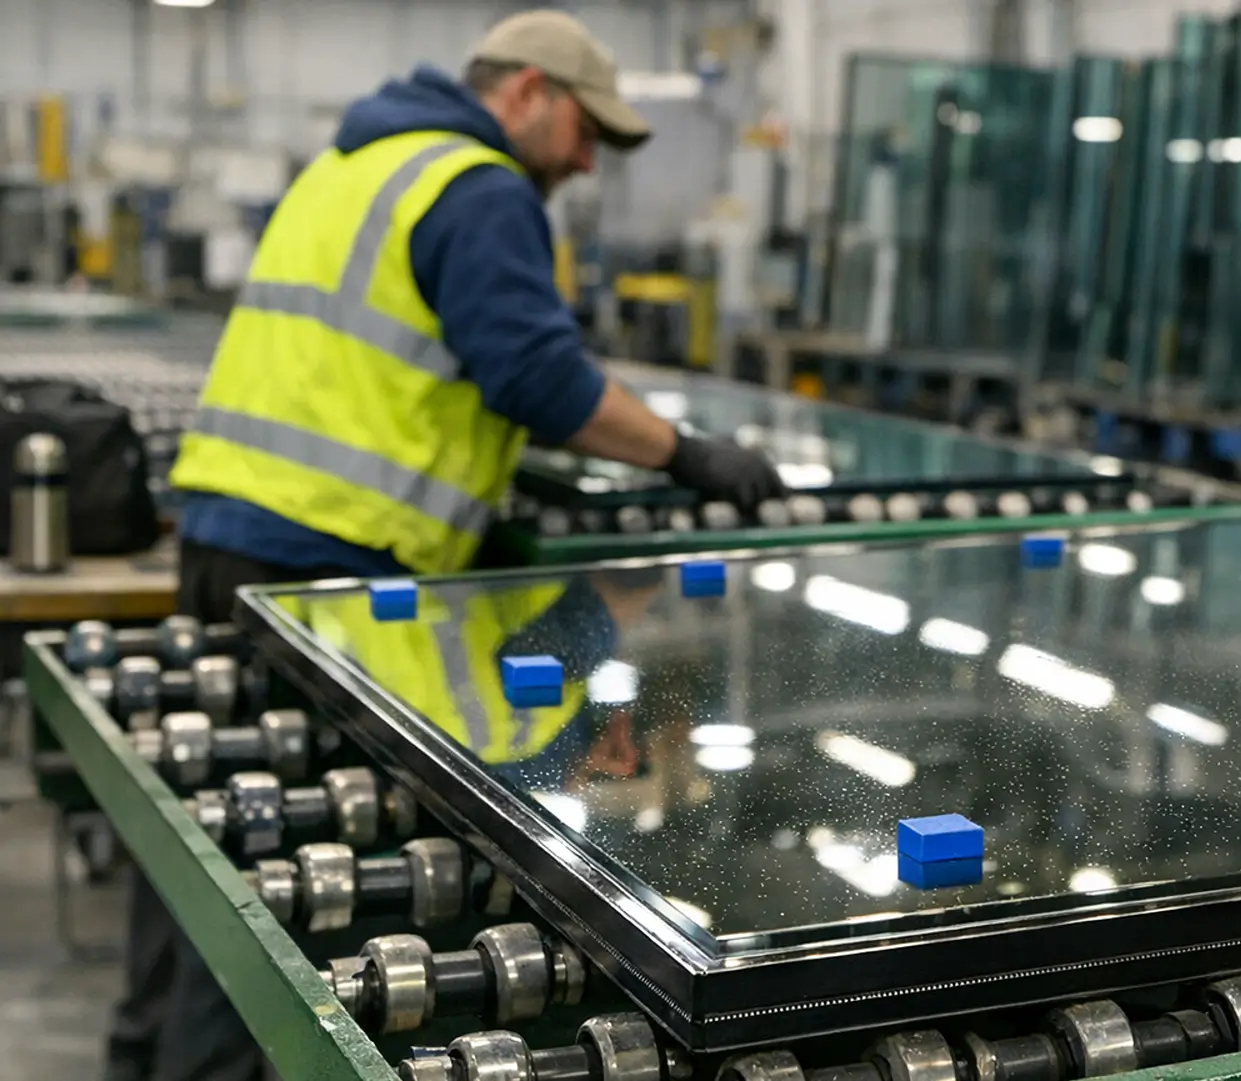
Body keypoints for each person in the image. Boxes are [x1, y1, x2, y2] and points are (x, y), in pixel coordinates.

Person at [110, 11, 782, 1081]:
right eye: (581, 131)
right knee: (278, 885)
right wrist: (688, 454)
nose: (582, 160)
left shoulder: (359, 162)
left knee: (200, 838)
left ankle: (141, 1058)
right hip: (324, 567)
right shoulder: (479, 186)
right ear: (524, 94)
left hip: (228, 532)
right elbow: (538, 379)